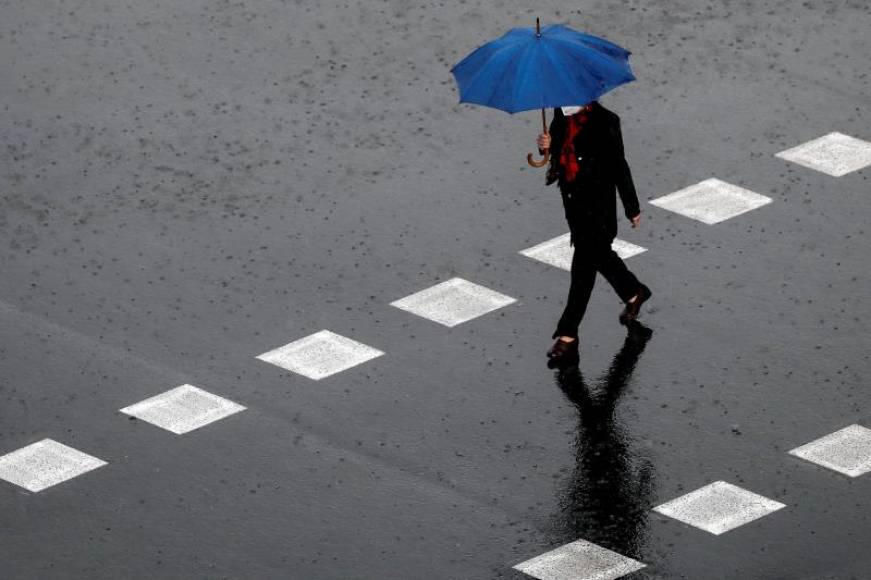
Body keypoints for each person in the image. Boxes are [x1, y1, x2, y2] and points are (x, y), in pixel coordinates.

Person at [537, 101, 651, 364]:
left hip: (599, 210)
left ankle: (567, 335)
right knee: (598, 259)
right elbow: (559, 150)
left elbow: (619, 167)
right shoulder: (560, 114)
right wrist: (546, 145)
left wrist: (631, 207)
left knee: (583, 269)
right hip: (575, 207)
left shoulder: (606, 122)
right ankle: (634, 292)